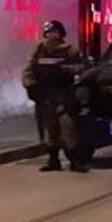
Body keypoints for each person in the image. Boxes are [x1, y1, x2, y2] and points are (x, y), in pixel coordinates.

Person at [22, 20, 88, 172]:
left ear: (60, 34)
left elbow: (80, 67)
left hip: (63, 95)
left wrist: (63, 69)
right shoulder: (39, 49)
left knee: (68, 129)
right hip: (45, 96)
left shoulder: (70, 49)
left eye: (54, 32)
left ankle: (75, 161)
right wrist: (30, 85)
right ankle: (53, 160)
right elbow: (29, 70)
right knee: (49, 131)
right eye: (48, 33)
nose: (51, 35)